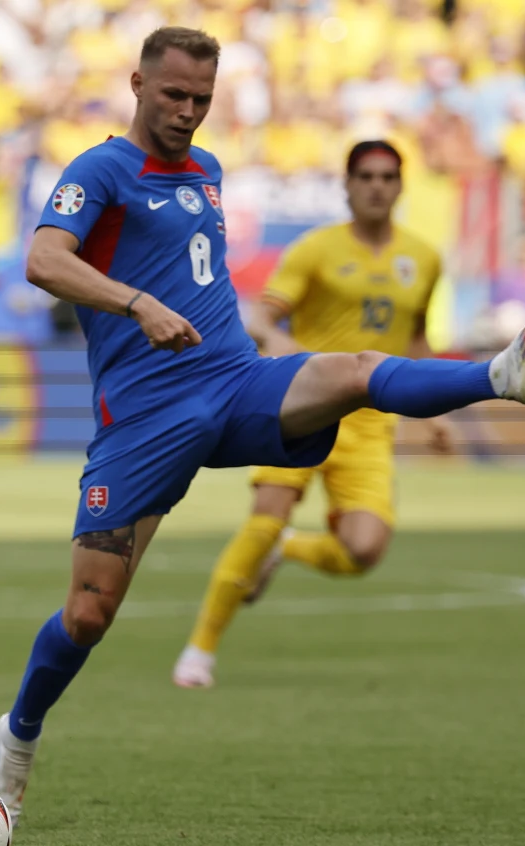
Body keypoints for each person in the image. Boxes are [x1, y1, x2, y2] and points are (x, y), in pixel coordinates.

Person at [0, 27, 525, 827]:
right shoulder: (101, 169)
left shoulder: (209, 171)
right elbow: (43, 260)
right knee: (89, 614)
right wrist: (137, 304)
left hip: (232, 381)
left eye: (202, 99)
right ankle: (17, 737)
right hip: (147, 420)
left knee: (356, 371)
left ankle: (501, 375)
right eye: (174, 96)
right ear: (136, 84)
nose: (188, 113)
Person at [174, 140, 455, 689]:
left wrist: (439, 410)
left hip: (371, 425)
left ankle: (287, 549)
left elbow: (415, 339)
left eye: (387, 177)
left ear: (400, 186)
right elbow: (260, 317)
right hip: (304, 406)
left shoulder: (424, 259)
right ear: (347, 186)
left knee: (364, 550)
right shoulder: (314, 250)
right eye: (366, 176)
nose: (377, 186)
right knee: (266, 513)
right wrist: (291, 352)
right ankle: (199, 652)